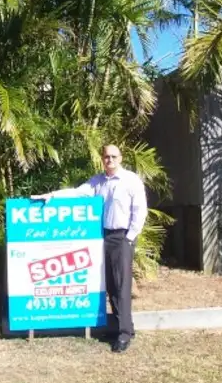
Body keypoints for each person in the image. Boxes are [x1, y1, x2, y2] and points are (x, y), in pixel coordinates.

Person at [31, 144, 147, 353]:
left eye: (113, 156)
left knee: (122, 285)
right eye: (106, 157)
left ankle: (125, 333)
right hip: (104, 236)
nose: (109, 160)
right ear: (102, 159)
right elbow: (78, 193)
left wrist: (130, 237)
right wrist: (52, 195)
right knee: (110, 284)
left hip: (122, 237)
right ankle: (118, 326)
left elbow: (140, 210)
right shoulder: (98, 182)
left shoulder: (131, 180)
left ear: (120, 158)